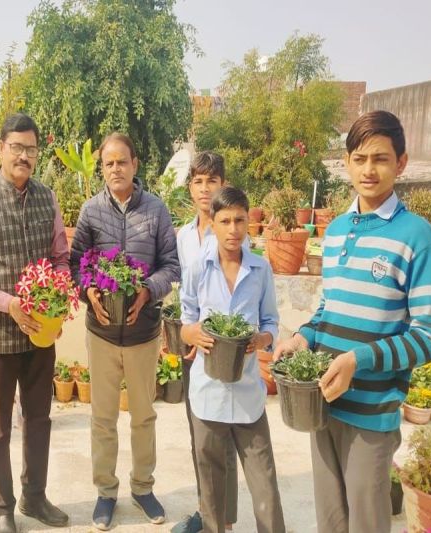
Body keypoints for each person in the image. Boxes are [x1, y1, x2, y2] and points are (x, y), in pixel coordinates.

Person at [273, 110, 431, 532]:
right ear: (347, 162)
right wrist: (303, 337)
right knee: (330, 522)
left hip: (371, 416)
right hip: (322, 404)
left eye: (381, 158)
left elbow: (430, 337)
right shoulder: (334, 232)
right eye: (360, 157)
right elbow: (329, 310)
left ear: (401, 163)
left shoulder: (415, 235)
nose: (369, 169)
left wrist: (357, 360)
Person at [0, 113, 70, 533]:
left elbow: (61, 257)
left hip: (42, 333)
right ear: (0, 148)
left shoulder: (47, 198)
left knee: (39, 420)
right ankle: (3, 507)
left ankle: (34, 497)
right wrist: (9, 303)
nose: (24, 155)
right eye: (16, 147)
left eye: (31, 149)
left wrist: (55, 305)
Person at [70, 132, 180, 530]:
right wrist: (89, 290)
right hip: (100, 333)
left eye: (122, 161)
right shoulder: (90, 211)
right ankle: (105, 492)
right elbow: (76, 264)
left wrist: (148, 291)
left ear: (135, 164)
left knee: (143, 416)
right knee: (102, 418)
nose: (115, 168)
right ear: (102, 168)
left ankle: (143, 486)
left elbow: (171, 266)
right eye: (108, 163)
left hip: (143, 332)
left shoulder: (156, 210)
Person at [180, 187, 286, 533]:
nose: (233, 229)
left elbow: (270, 321)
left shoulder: (260, 270)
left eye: (240, 220)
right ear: (213, 223)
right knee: (211, 485)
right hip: (207, 392)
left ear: (249, 223)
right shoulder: (199, 267)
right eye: (225, 221)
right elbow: (184, 320)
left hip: (247, 394)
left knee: (264, 482)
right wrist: (191, 333)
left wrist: (262, 339)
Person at [172, 151, 240, 533]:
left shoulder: (231, 231)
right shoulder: (184, 236)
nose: (204, 189)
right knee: (200, 435)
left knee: (224, 437)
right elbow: (184, 296)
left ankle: (224, 520)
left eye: (211, 181)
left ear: (223, 186)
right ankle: (206, 510)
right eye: (198, 181)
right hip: (192, 350)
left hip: (223, 353)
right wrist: (183, 333)